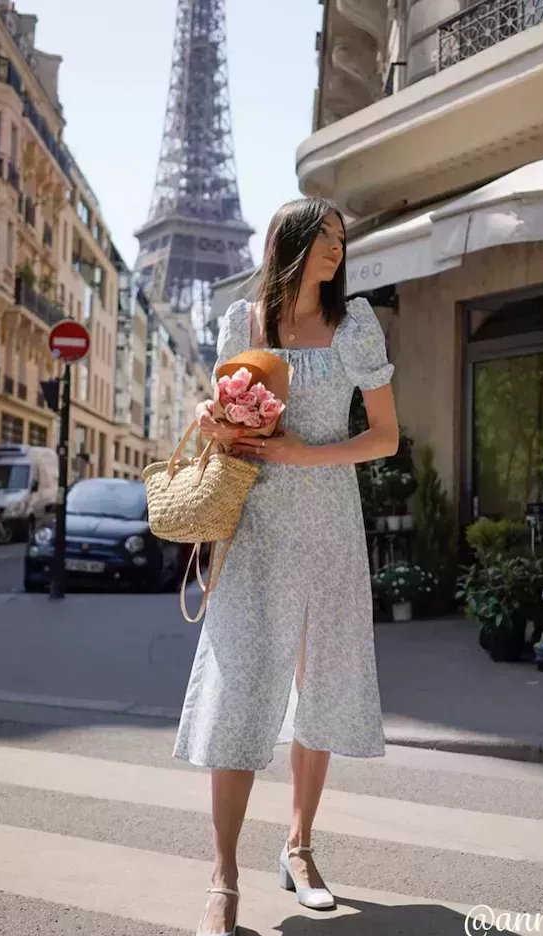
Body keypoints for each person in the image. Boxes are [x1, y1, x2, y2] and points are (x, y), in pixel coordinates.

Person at [175, 196, 399, 936]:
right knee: (241, 689)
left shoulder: (354, 324)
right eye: (324, 236)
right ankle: (224, 877)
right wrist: (214, 422)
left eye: (343, 237)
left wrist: (308, 453)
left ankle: (299, 848)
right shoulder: (243, 323)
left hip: (330, 521)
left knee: (322, 685)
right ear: (290, 242)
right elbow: (224, 427)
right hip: (259, 525)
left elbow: (386, 438)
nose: (337, 249)